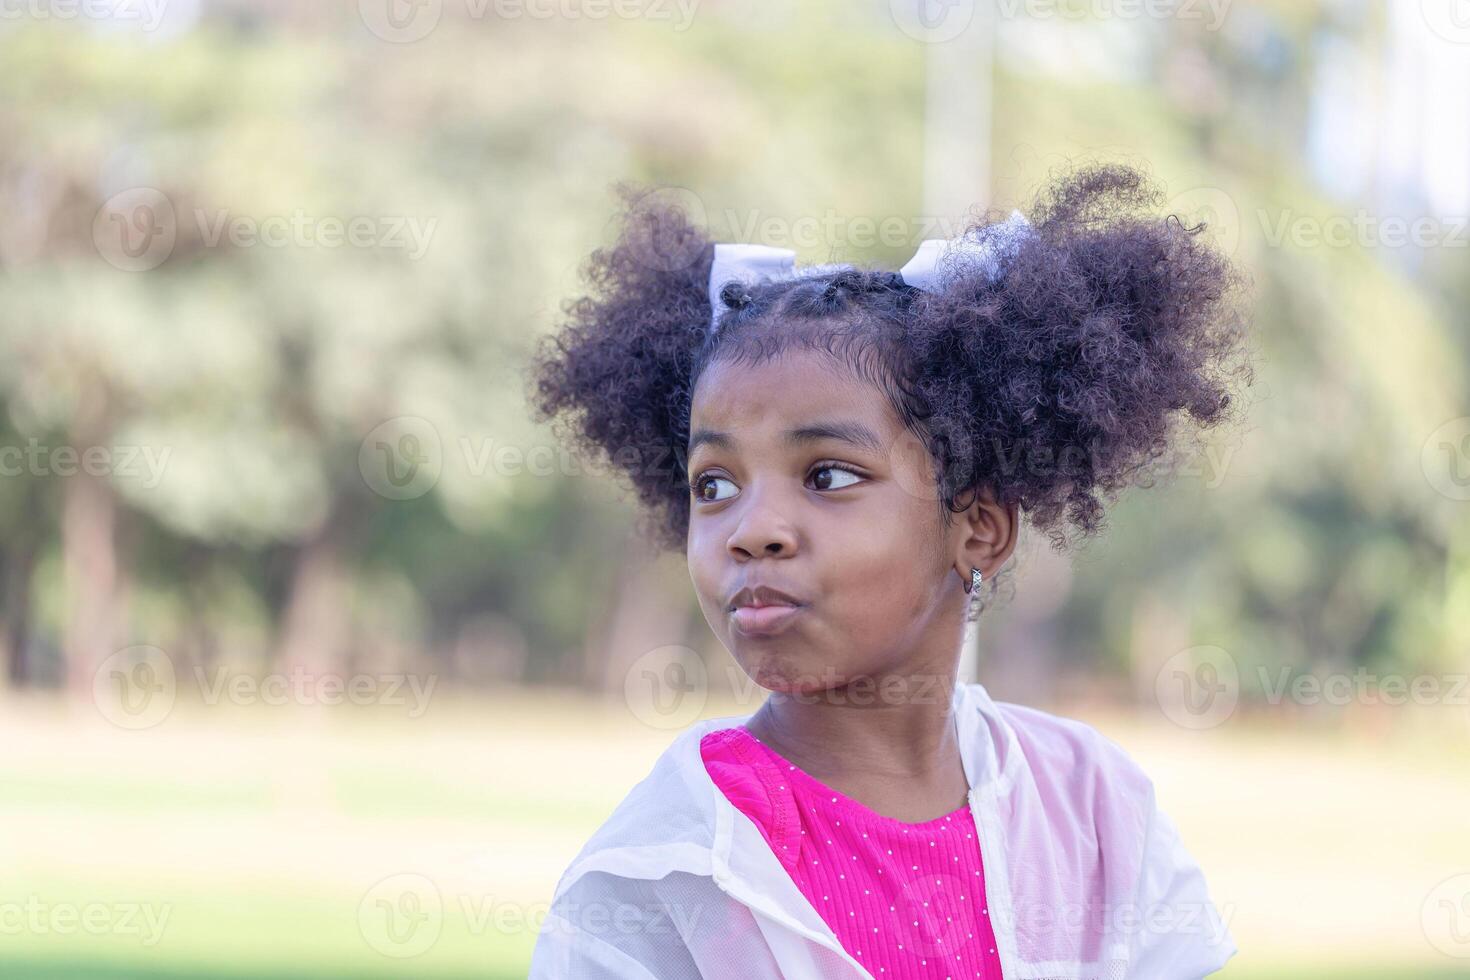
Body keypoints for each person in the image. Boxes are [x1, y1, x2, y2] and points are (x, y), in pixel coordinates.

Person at [524, 163, 1251, 979]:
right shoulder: (663, 874)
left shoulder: (1094, 812)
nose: (752, 530)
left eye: (828, 475)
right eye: (715, 485)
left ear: (978, 527)